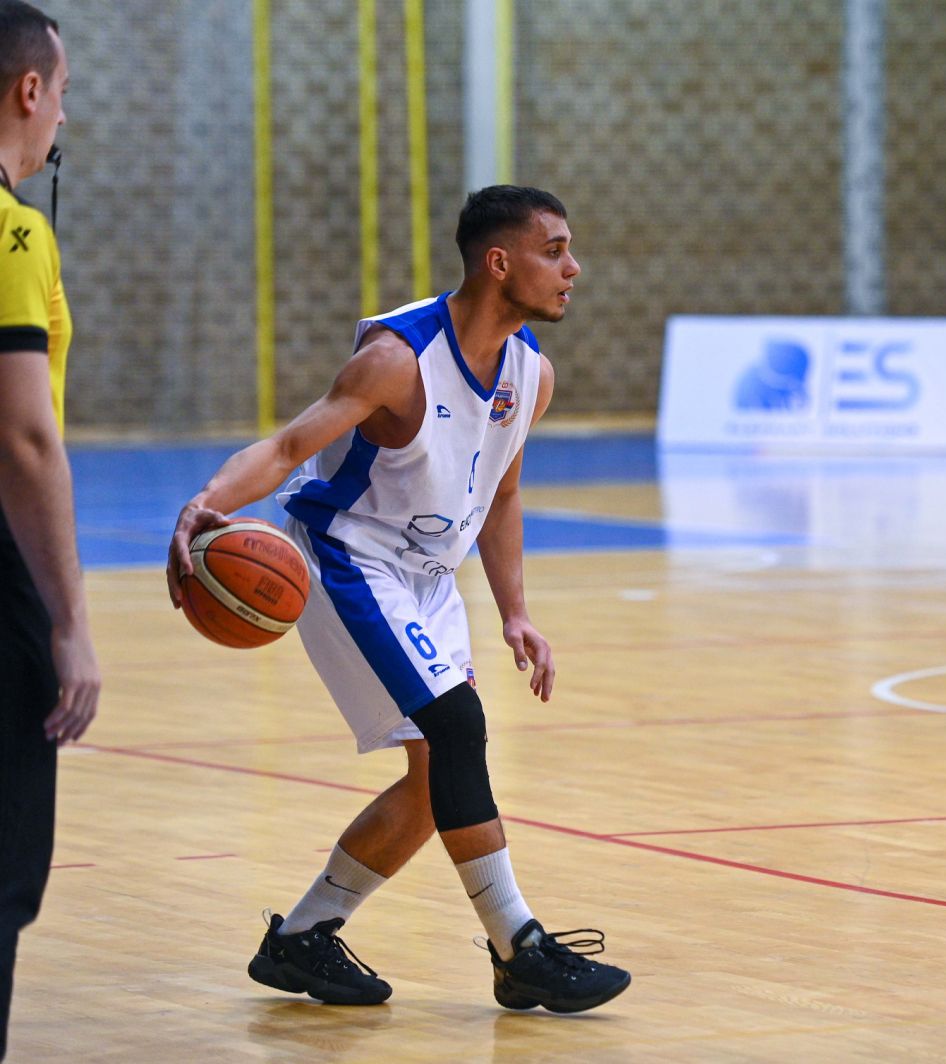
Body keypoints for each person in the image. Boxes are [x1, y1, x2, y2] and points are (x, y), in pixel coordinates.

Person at [166, 185, 629, 1013]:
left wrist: (515, 611)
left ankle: (304, 937)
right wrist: (211, 501)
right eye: (554, 250)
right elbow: (287, 444)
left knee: (433, 780)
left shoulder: (532, 373)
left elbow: (504, 493)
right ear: (500, 262)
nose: (573, 268)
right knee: (459, 728)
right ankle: (518, 945)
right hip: (353, 558)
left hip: (431, 577)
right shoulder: (398, 357)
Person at [0, 3, 99, 1059]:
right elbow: (24, 439)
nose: (61, 113)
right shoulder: (15, 229)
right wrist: (71, 619)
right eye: (63, 92)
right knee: (4, 868)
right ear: (31, 90)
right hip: (1, 573)